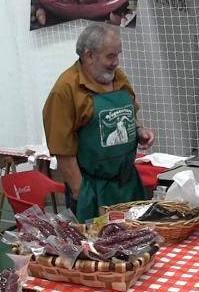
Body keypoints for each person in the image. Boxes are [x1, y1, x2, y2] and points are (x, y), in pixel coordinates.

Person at [42, 23, 155, 223]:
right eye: (110, 56)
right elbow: (63, 152)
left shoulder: (118, 78)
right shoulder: (66, 90)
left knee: (137, 243)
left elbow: (130, 112)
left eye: (117, 55)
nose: (116, 63)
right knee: (98, 249)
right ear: (89, 55)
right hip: (93, 190)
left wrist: (138, 130)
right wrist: (81, 194)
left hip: (129, 184)